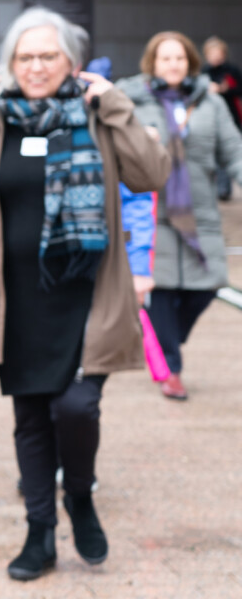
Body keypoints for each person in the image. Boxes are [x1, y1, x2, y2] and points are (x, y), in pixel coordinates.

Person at [0, 7, 169, 581]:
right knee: (32, 417)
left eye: (47, 56)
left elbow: (151, 174)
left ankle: (78, 495)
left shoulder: (100, 114)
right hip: (16, 301)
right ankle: (40, 532)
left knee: (77, 406)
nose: (35, 67)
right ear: (10, 64)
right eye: (24, 57)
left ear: (72, 62)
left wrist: (117, 106)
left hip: (88, 294)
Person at [117, 31, 242, 401]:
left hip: (200, 215)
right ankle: (171, 369)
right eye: (165, 58)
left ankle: (167, 341)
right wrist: (142, 138)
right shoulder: (133, 103)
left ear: (190, 62)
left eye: (179, 58)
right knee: (164, 289)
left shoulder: (210, 104)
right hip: (153, 213)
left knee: (207, 287)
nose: (173, 65)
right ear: (152, 63)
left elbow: (233, 151)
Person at [202, 36, 242, 199]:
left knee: (232, 153)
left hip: (232, 116)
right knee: (214, 155)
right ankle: (221, 188)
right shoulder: (204, 72)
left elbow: (239, 89)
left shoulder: (232, 70)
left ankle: (225, 189)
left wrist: (224, 90)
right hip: (210, 118)